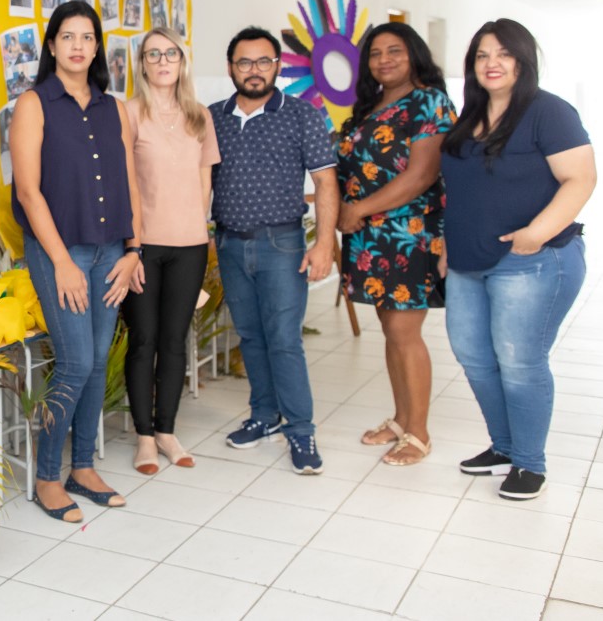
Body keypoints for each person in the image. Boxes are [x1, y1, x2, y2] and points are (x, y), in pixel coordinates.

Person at [440, 18, 595, 500]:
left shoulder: (549, 112)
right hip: (469, 260)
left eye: (503, 54)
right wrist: (448, 244)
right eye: (483, 55)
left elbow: (581, 179)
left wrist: (535, 234)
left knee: (519, 361)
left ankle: (529, 463)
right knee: (474, 357)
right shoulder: (471, 114)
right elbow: (462, 189)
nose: (492, 63)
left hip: (533, 260)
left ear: (523, 60)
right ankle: (504, 447)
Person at [10, 0, 142, 522]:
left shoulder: (115, 108)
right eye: (68, 36)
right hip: (57, 252)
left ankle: (82, 467)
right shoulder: (34, 105)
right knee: (76, 363)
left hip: (112, 252)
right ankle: (47, 476)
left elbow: (129, 182)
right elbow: (27, 190)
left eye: (88, 37)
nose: (78, 46)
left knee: (96, 363)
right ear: (51, 45)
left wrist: (134, 250)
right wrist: (63, 262)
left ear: (97, 47)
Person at [210, 26, 338, 474]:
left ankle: (301, 432)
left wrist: (324, 243)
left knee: (284, 340)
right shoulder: (213, 117)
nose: (254, 71)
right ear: (231, 68)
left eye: (264, 62)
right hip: (228, 243)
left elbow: (325, 182)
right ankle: (264, 416)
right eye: (244, 62)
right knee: (250, 337)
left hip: (282, 244)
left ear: (277, 66)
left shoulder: (302, 114)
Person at [337, 24, 456, 466]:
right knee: (390, 331)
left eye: (395, 51)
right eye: (375, 53)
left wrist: (359, 208)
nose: (384, 59)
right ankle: (402, 418)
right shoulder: (371, 105)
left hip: (408, 233)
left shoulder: (430, 101)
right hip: (371, 234)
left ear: (415, 55)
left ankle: (419, 432)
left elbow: (422, 175)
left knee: (405, 333)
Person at [122, 28, 219, 474]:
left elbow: (205, 185)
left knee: (174, 342)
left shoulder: (199, 116)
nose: (162, 60)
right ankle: (144, 437)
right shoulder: (129, 114)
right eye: (153, 54)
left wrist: (195, 228)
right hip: (142, 247)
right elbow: (125, 185)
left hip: (190, 247)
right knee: (143, 341)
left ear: (182, 61)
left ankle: (166, 430)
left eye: (171, 53)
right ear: (141, 64)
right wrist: (132, 246)